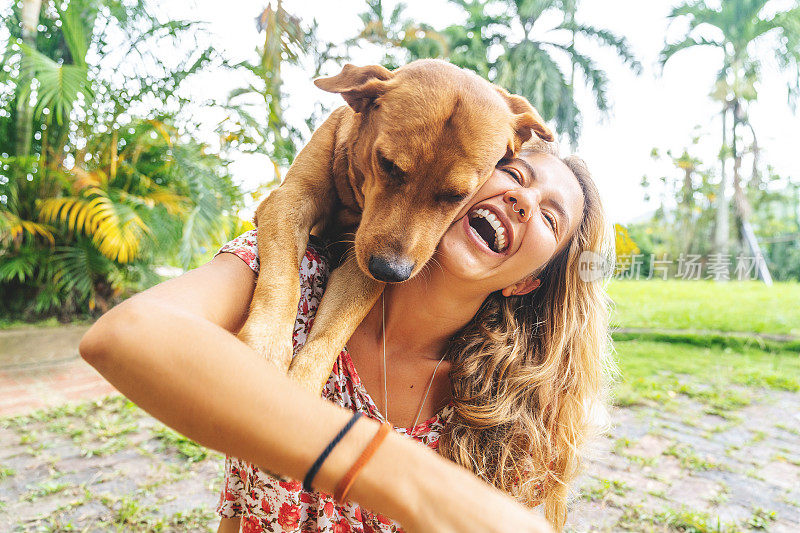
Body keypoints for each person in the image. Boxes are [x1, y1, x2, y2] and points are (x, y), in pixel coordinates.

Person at [79, 138, 612, 533]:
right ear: (461, 180)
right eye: (515, 174)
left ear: (526, 283)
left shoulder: (516, 408)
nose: (523, 200)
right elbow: (126, 334)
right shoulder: (289, 276)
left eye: (549, 216)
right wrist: (402, 475)